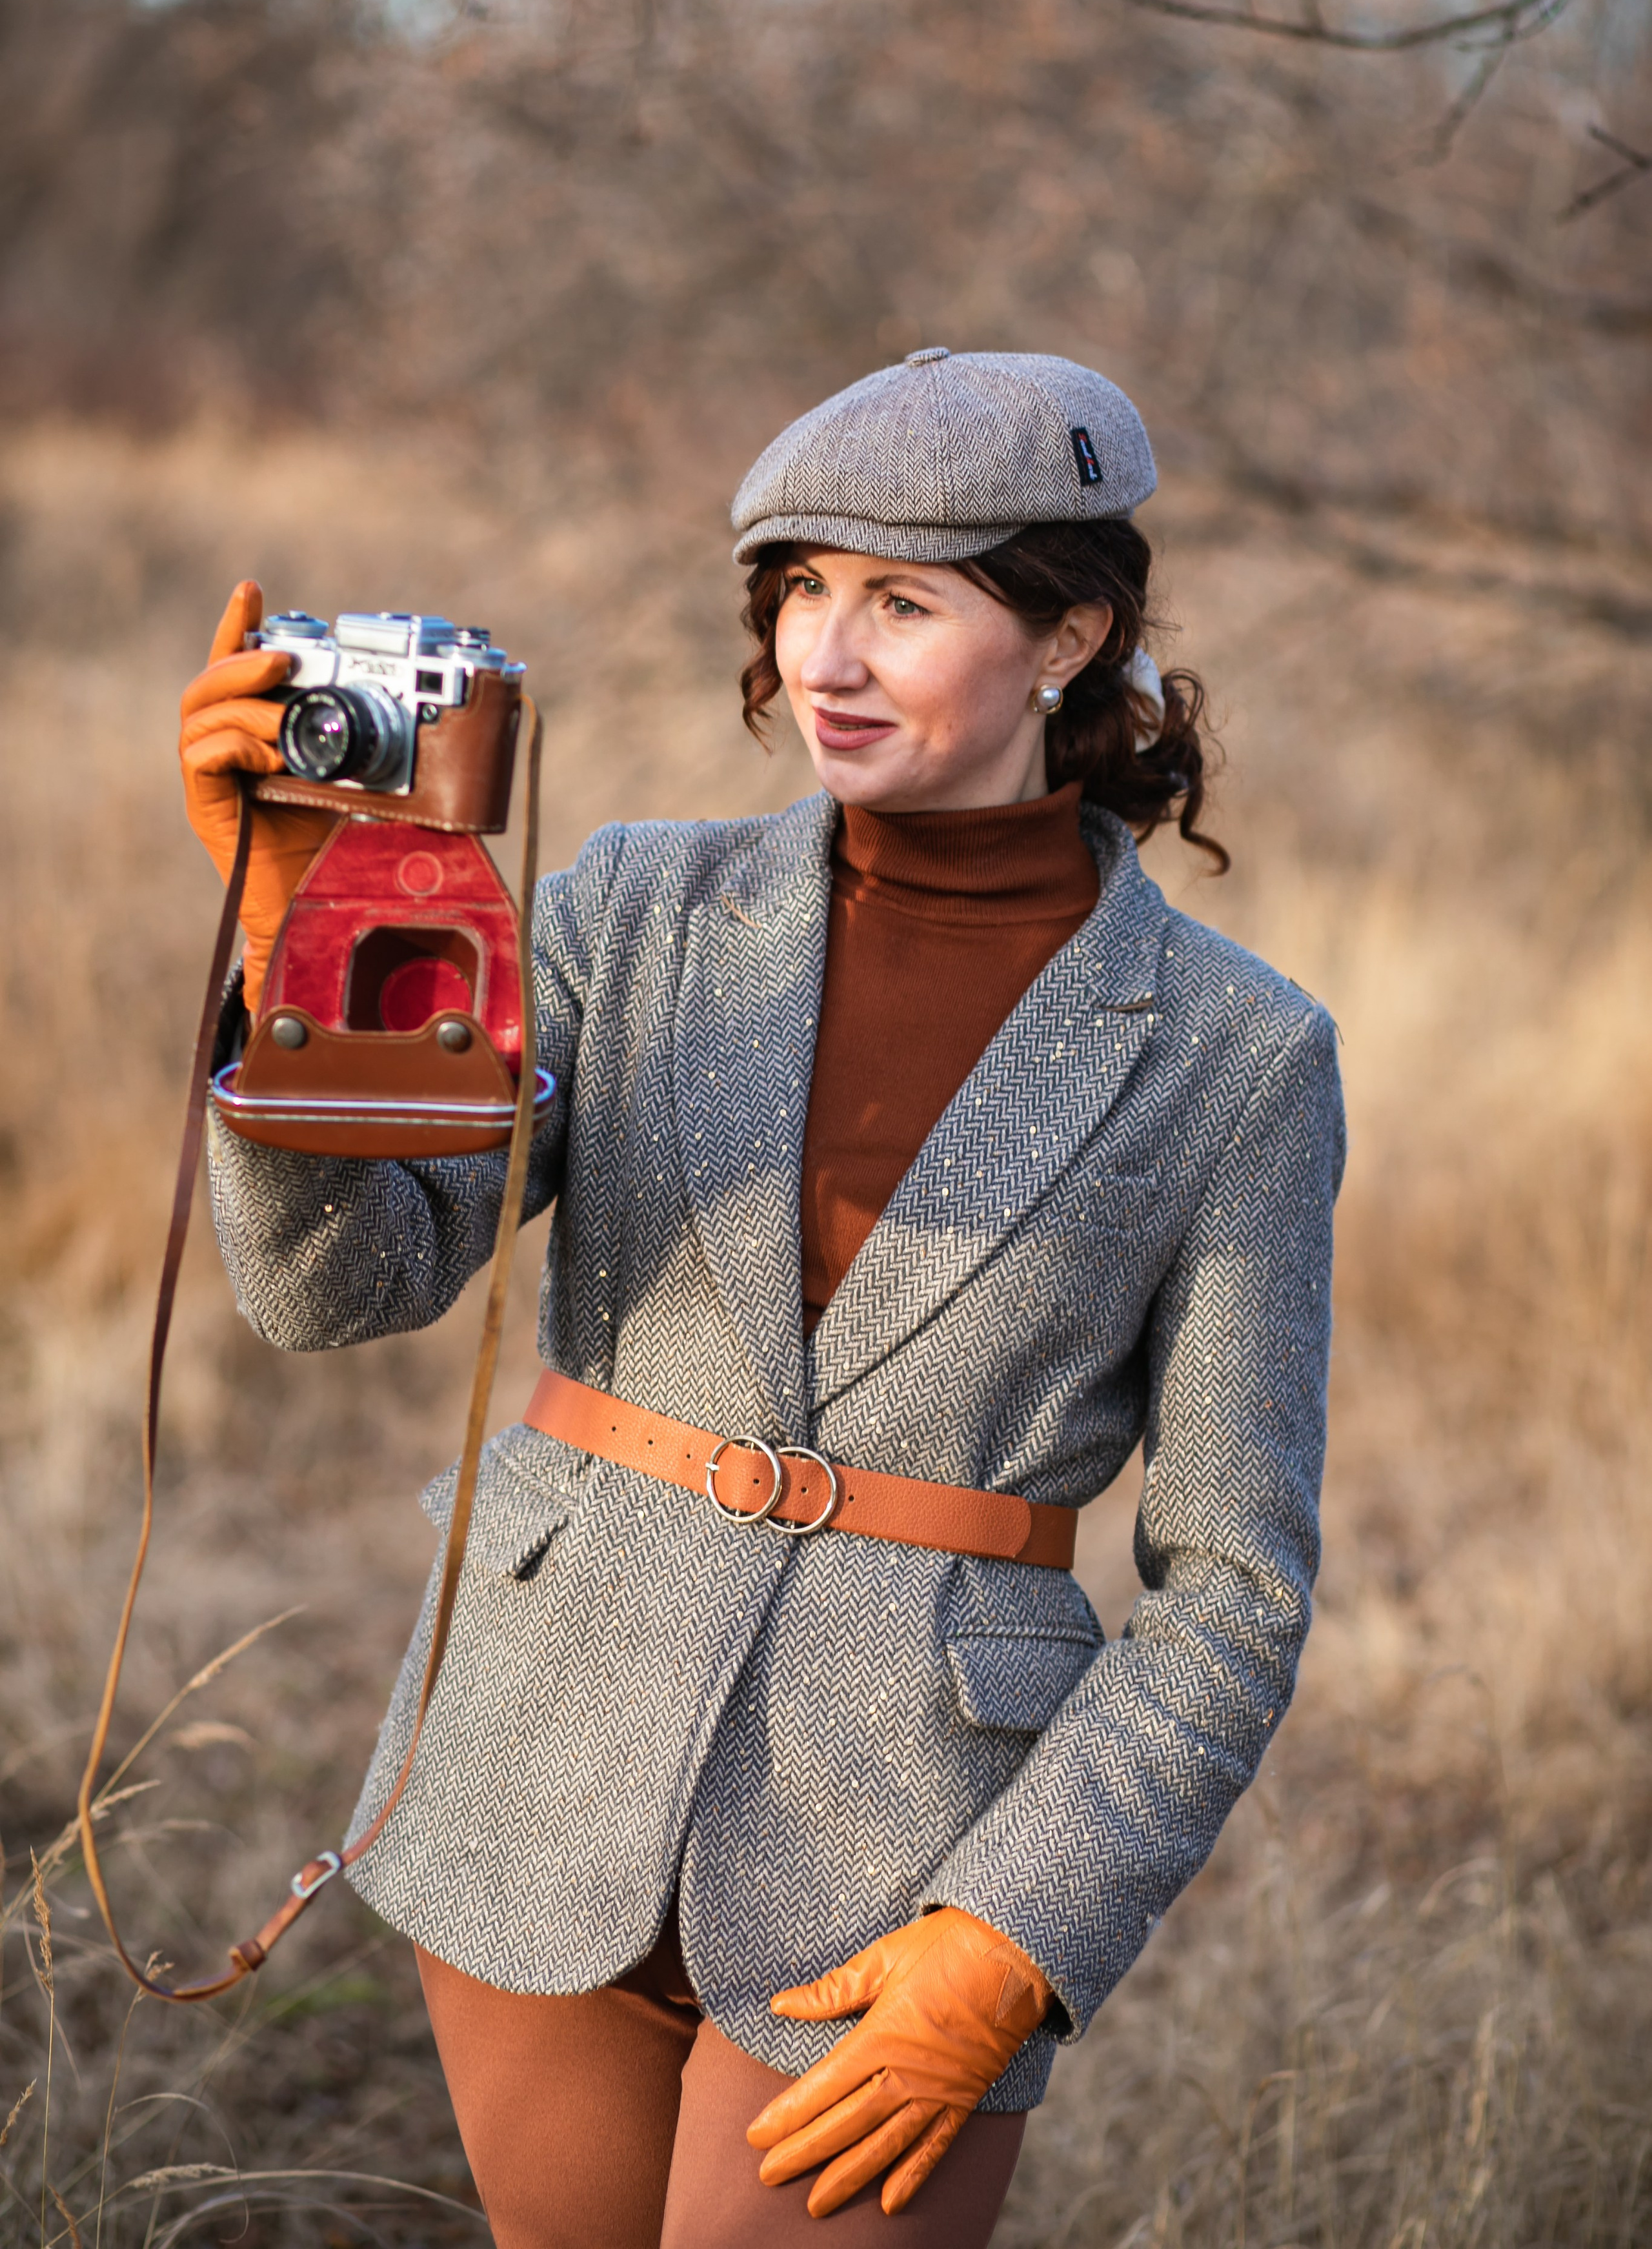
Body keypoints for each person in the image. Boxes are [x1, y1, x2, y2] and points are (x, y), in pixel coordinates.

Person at [178, 348, 1345, 2247]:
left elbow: (1236, 1586)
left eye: (901, 599)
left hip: (898, 1861)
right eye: (801, 590)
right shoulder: (624, 914)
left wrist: (1012, 1938)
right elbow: (340, 1285)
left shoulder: (1237, 1054)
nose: (828, 653)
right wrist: (285, 942)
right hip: (535, 1768)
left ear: (1070, 634)